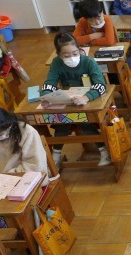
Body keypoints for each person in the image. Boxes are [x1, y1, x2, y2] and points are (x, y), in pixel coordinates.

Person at [40, 32, 110, 167]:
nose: (71, 58)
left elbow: (101, 85)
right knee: (61, 121)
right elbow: (50, 82)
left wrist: (86, 97)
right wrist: (46, 96)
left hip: (90, 99)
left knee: (84, 120)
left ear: (79, 50)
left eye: (75, 53)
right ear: (59, 55)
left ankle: (103, 151)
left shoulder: (88, 62)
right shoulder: (56, 63)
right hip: (69, 100)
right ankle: (56, 155)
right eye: (66, 56)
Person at [0, 106, 49, 175]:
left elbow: (35, 166)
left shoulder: (27, 132)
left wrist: (10, 174)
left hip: (22, 176)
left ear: (8, 124)